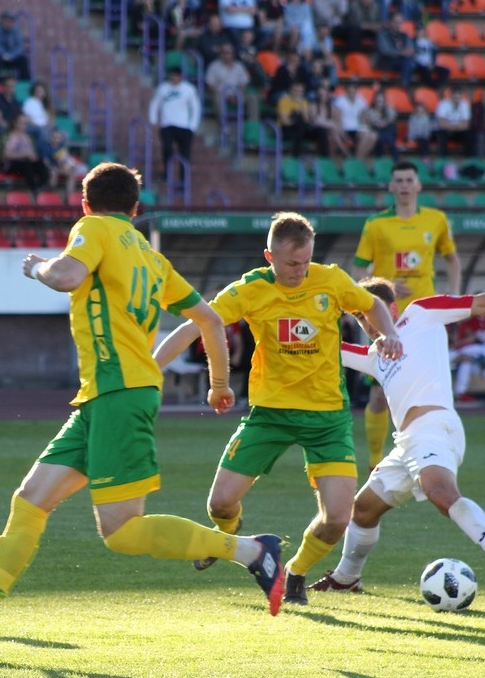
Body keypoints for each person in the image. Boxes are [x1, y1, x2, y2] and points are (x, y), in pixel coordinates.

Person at [0, 163, 288, 652]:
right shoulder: (153, 258)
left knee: (122, 533)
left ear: (86, 204)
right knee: (30, 500)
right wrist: (218, 383)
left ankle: (253, 551)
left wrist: (36, 266)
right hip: (102, 398)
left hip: (119, 395)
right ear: (135, 209)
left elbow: (67, 275)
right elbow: (212, 322)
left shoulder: (92, 229)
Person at [154, 212, 403, 606]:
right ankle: (229, 534)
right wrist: (152, 370)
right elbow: (196, 324)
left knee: (338, 518)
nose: (300, 271)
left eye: (306, 262)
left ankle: (295, 572)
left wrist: (389, 332)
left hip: (327, 418)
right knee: (219, 503)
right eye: (291, 263)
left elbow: (372, 304)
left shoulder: (331, 280)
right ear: (269, 256)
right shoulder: (251, 289)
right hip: (269, 414)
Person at [309, 288, 485, 597]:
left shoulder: (421, 313)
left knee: (440, 492)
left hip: (434, 428)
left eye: (371, 311)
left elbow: (484, 303)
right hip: (407, 444)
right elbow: (319, 346)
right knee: (364, 509)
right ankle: (346, 577)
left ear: (392, 309)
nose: (367, 322)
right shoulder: (372, 356)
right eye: (359, 316)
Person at [353, 160, 461, 469]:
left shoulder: (436, 220)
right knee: (379, 392)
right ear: (390, 186)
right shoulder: (376, 225)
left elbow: (452, 260)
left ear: (418, 185)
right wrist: (379, 288)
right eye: (398, 180)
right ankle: (375, 460)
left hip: (425, 319)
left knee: (429, 389)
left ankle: (428, 452)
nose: (403, 185)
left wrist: (452, 299)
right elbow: (358, 268)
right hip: (388, 319)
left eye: (408, 180)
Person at [147, 66, 201, 182]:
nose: (174, 78)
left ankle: (183, 179)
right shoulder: (163, 88)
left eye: (176, 76)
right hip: (167, 125)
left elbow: (195, 108)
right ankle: (166, 172)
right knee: (167, 148)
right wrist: (154, 120)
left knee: (185, 154)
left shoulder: (188, 89)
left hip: (184, 126)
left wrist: (192, 126)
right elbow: (155, 103)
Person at [434, 86, 472, 157]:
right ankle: (443, 159)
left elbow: (466, 124)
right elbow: (441, 123)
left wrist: (451, 126)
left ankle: (468, 160)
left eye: (458, 97)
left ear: (461, 96)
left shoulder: (464, 105)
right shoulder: (443, 104)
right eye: (455, 97)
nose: (456, 99)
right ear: (451, 96)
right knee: (442, 134)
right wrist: (457, 125)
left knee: (469, 134)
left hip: (458, 131)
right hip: (446, 131)